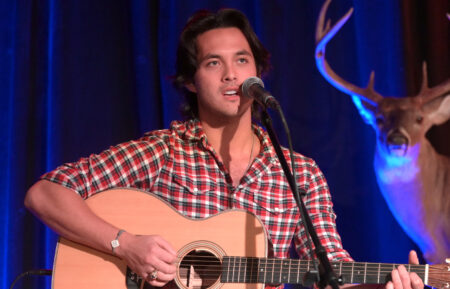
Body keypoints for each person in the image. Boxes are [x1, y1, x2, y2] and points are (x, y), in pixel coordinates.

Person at [24, 8, 424, 289]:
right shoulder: (164, 151)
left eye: (242, 60)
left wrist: (387, 284)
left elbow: (332, 271)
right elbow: (45, 194)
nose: (232, 74)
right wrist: (126, 245)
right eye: (214, 63)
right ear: (192, 81)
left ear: (259, 73)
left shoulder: (299, 173)